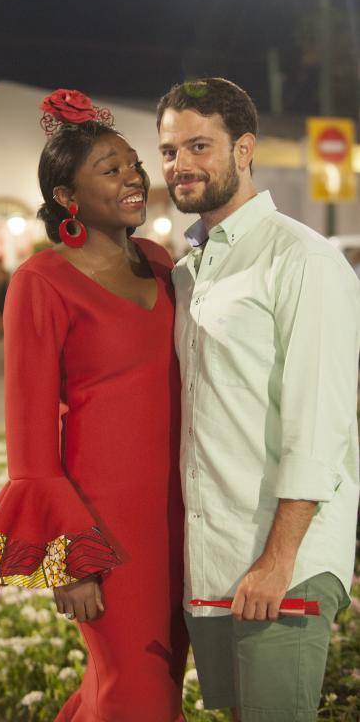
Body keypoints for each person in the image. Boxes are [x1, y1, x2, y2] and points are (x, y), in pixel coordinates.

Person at [0, 89, 188, 722]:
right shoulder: (40, 282)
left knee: (156, 683)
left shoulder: (160, 263)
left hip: (182, 515)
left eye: (134, 164)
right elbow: (30, 441)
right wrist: (70, 558)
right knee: (135, 690)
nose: (134, 178)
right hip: (105, 528)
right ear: (67, 197)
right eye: (110, 170)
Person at [157, 77, 360, 721]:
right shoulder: (190, 272)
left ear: (244, 150)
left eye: (198, 146)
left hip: (283, 568)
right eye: (168, 151)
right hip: (214, 564)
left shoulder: (301, 258)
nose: (180, 165)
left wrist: (278, 561)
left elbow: (319, 425)